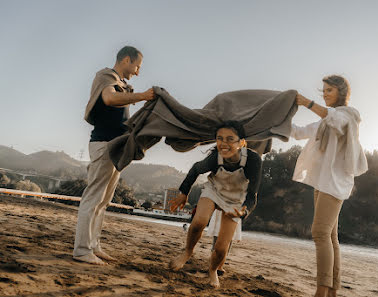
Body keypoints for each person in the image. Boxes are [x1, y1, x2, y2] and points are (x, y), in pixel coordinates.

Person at [73, 46, 155, 265]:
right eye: (137, 66)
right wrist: (143, 96)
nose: (138, 72)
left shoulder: (123, 85)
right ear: (126, 60)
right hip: (104, 145)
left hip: (116, 148)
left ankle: (93, 246)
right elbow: (109, 99)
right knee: (94, 198)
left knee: (103, 201)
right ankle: (82, 250)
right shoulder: (106, 76)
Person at [291, 75, 368, 297]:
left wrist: (307, 103)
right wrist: (277, 118)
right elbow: (298, 132)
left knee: (320, 232)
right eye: (323, 90)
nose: (324, 94)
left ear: (341, 93)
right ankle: (331, 291)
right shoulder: (324, 121)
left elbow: (335, 119)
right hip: (323, 182)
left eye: (329, 91)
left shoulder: (348, 116)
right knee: (331, 236)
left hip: (335, 183)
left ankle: (321, 291)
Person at [169, 121, 262, 288]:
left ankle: (212, 270)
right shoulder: (215, 157)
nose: (223, 143)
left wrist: (243, 211)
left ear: (241, 142)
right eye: (219, 138)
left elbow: (252, 194)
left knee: (220, 248)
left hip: (236, 199)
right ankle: (187, 252)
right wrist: (184, 193)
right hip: (214, 190)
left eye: (230, 139)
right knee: (199, 222)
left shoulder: (253, 160)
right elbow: (196, 169)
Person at [207, 209, 242, 275]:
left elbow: (238, 222)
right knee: (216, 249)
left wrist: (238, 235)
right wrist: (212, 230)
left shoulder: (236, 208)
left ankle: (220, 266)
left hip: (230, 231)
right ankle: (213, 266)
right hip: (219, 231)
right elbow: (214, 219)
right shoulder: (220, 207)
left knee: (226, 250)